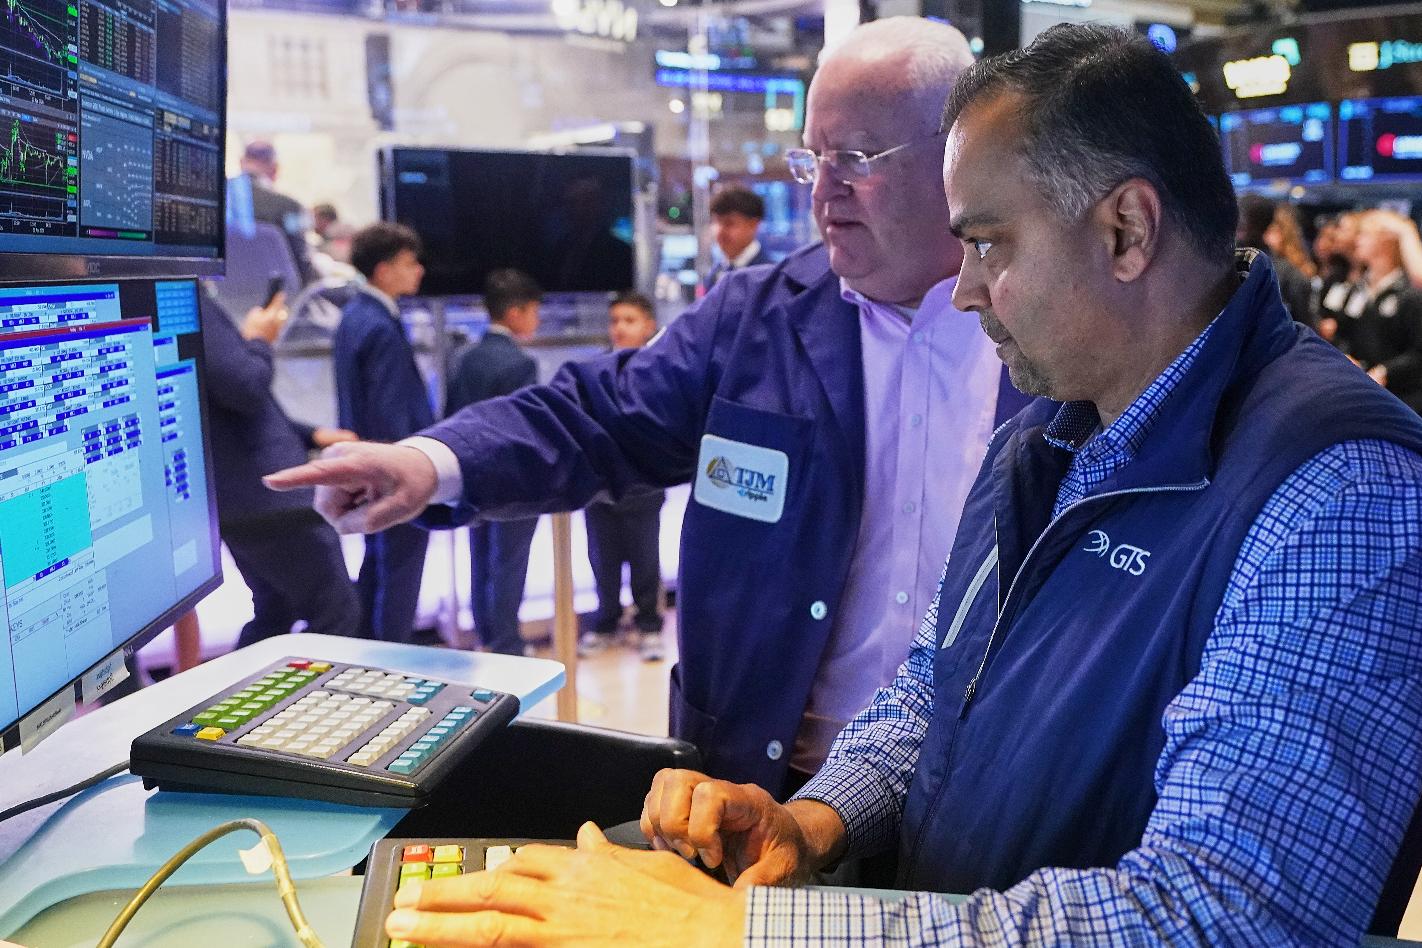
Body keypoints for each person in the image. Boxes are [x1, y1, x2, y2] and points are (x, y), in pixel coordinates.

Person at [378, 25, 1422, 947]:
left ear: (1126, 231)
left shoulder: (1338, 491)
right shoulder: (1062, 427)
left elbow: (1225, 914)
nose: (962, 290)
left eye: (988, 245)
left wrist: (742, 930)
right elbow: (938, 682)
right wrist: (816, 820)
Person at [267, 17, 1027, 796]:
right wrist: (429, 463)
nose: (824, 191)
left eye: (856, 159)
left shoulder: (1039, 332)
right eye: (813, 157)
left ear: (956, 155)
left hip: (980, 795)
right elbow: (596, 417)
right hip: (761, 787)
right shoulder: (756, 321)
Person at [202, 288, 362, 647]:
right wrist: (259, 340)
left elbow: (226, 407)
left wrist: (312, 435)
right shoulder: (187, 296)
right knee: (336, 612)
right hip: (271, 497)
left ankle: (236, 700)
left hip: (242, 496)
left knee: (276, 612)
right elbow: (242, 387)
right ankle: (321, 704)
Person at [334, 222, 434, 642]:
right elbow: (390, 409)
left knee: (378, 566)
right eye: (409, 263)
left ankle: (368, 657)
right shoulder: (378, 326)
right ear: (382, 269)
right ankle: (396, 662)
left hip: (367, 463)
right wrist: (406, 470)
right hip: (393, 468)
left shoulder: (357, 316)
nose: (420, 271)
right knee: (399, 573)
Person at [446, 269, 543, 656]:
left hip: (470, 476)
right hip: (511, 481)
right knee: (508, 566)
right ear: (517, 312)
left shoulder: (465, 358)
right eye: (535, 311)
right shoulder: (519, 365)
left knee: (481, 560)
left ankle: (488, 636)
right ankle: (507, 645)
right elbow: (523, 430)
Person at [578, 291, 666, 661]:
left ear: (648, 326)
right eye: (614, 321)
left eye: (628, 321)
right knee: (603, 561)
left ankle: (649, 625)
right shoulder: (594, 371)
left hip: (643, 485)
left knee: (645, 561)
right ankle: (606, 622)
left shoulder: (661, 371)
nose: (619, 328)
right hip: (600, 488)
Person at [1329, 210, 1422, 413]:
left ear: (1386, 242)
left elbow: (1418, 352)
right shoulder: (1357, 289)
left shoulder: (1409, 294)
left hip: (1402, 398)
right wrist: (1344, 355)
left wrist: (1387, 370)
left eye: (1365, 235)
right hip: (1361, 390)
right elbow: (1343, 332)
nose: (1357, 241)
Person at [238, 140, 316, 284]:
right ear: (275, 169)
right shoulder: (290, 207)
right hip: (278, 299)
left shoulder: (216, 203)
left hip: (218, 298)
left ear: (241, 163)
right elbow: (302, 262)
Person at [1236, 194, 1313, 326]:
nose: (1237, 225)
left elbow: (1303, 325)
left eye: (1242, 221)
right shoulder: (1224, 266)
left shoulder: (1287, 274)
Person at [701, 186, 772, 293]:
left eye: (729, 223)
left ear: (753, 224)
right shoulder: (715, 273)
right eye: (716, 222)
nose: (720, 231)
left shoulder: (769, 276)